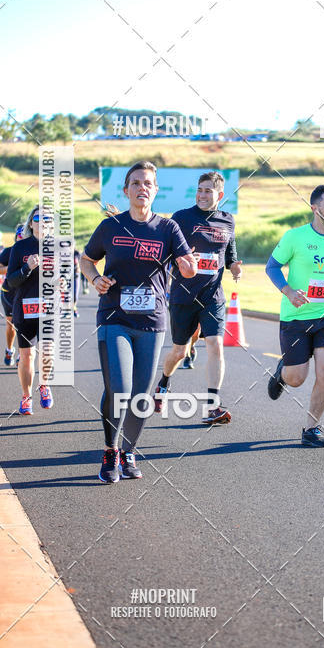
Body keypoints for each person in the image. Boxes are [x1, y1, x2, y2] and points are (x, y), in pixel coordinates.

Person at [80, 161, 197, 484]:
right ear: (126, 190)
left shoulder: (168, 229)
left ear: (156, 190)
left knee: (141, 394)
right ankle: (110, 450)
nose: (142, 188)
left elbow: (187, 267)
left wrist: (188, 266)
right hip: (114, 316)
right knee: (119, 387)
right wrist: (94, 278)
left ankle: (129, 451)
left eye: (148, 183)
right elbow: (87, 259)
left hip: (152, 320)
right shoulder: (111, 227)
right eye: (136, 183)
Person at [265, 184, 324, 447]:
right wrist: (287, 290)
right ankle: (282, 373)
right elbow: (272, 266)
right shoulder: (294, 237)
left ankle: (311, 429)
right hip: (295, 317)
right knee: (297, 379)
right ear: (314, 208)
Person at [153, 172, 242, 425]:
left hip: (213, 295)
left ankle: (213, 406)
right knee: (180, 351)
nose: (202, 195)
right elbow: (163, 248)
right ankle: (164, 382)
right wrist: (180, 257)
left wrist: (235, 266)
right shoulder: (182, 218)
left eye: (208, 191)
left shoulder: (228, 221)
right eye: (200, 190)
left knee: (215, 344)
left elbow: (230, 252)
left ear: (220, 195)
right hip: (183, 296)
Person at [6, 208, 55, 415]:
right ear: (31, 224)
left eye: (47, 218)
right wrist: (27, 267)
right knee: (26, 355)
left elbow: (65, 278)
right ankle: (26, 397)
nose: (42, 221)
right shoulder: (19, 248)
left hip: (48, 308)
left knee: (47, 352)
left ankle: (44, 384)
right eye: (37, 218)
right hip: (24, 308)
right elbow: (11, 281)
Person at [0, 224, 24, 365]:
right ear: (16, 236)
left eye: (25, 235)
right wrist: (12, 268)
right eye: (20, 235)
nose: (22, 237)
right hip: (9, 294)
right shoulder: (9, 251)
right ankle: (9, 349)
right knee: (11, 325)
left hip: (26, 293)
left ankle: (21, 354)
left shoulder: (32, 251)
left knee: (24, 325)